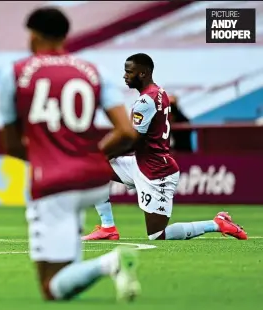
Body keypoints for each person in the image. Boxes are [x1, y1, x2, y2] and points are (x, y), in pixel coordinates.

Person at [0, 7, 143, 302]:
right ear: (65, 36)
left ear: (34, 35)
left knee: (50, 287)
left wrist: (51, 158)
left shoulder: (15, 73)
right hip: (94, 180)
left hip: (53, 183)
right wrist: (88, 155)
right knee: (67, 256)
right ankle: (91, 263)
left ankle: (110, 263)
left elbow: (12, 145)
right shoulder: (93, 70)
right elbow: (127, 132)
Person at [82, 53, 248, 241]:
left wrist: (102, 152)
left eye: (129, 72)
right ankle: (108, 227)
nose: (124, 76)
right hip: (141, 162)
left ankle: (217, 223)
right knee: (94, 169)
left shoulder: (145, 102)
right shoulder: (159, 93)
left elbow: (132, 140)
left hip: (156, 171)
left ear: (143, 73)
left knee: (157, 235)